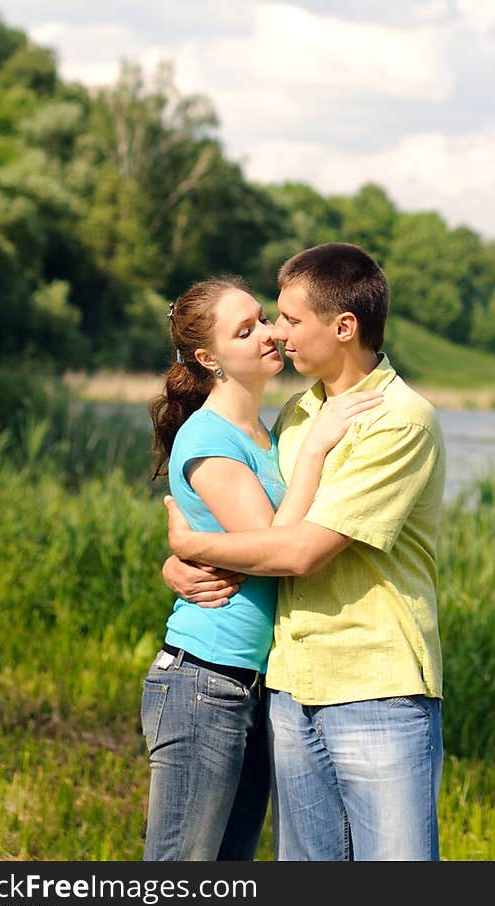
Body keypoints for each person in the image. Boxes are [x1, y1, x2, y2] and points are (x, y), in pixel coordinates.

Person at [162, 242, 446, 861]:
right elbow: (254, 525)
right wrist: (183, 563)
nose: (276, 333)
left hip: (374, 687)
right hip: (288, 689)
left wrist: (189, 543)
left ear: (343, 326)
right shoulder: (297, 416)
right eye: (265, 321)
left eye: (285, 319)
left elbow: (300, 552)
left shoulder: (398, 420)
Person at [141, 273, 383, 861]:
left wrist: (185, 552)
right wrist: (321, 446)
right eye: (244, 330)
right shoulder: (209, 438)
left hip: (251, 684)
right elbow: (275, 547)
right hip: (204, 679)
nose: (269, 335)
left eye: (265, 319)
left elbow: (237, 541)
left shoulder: (268, 434)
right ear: (210, 358)